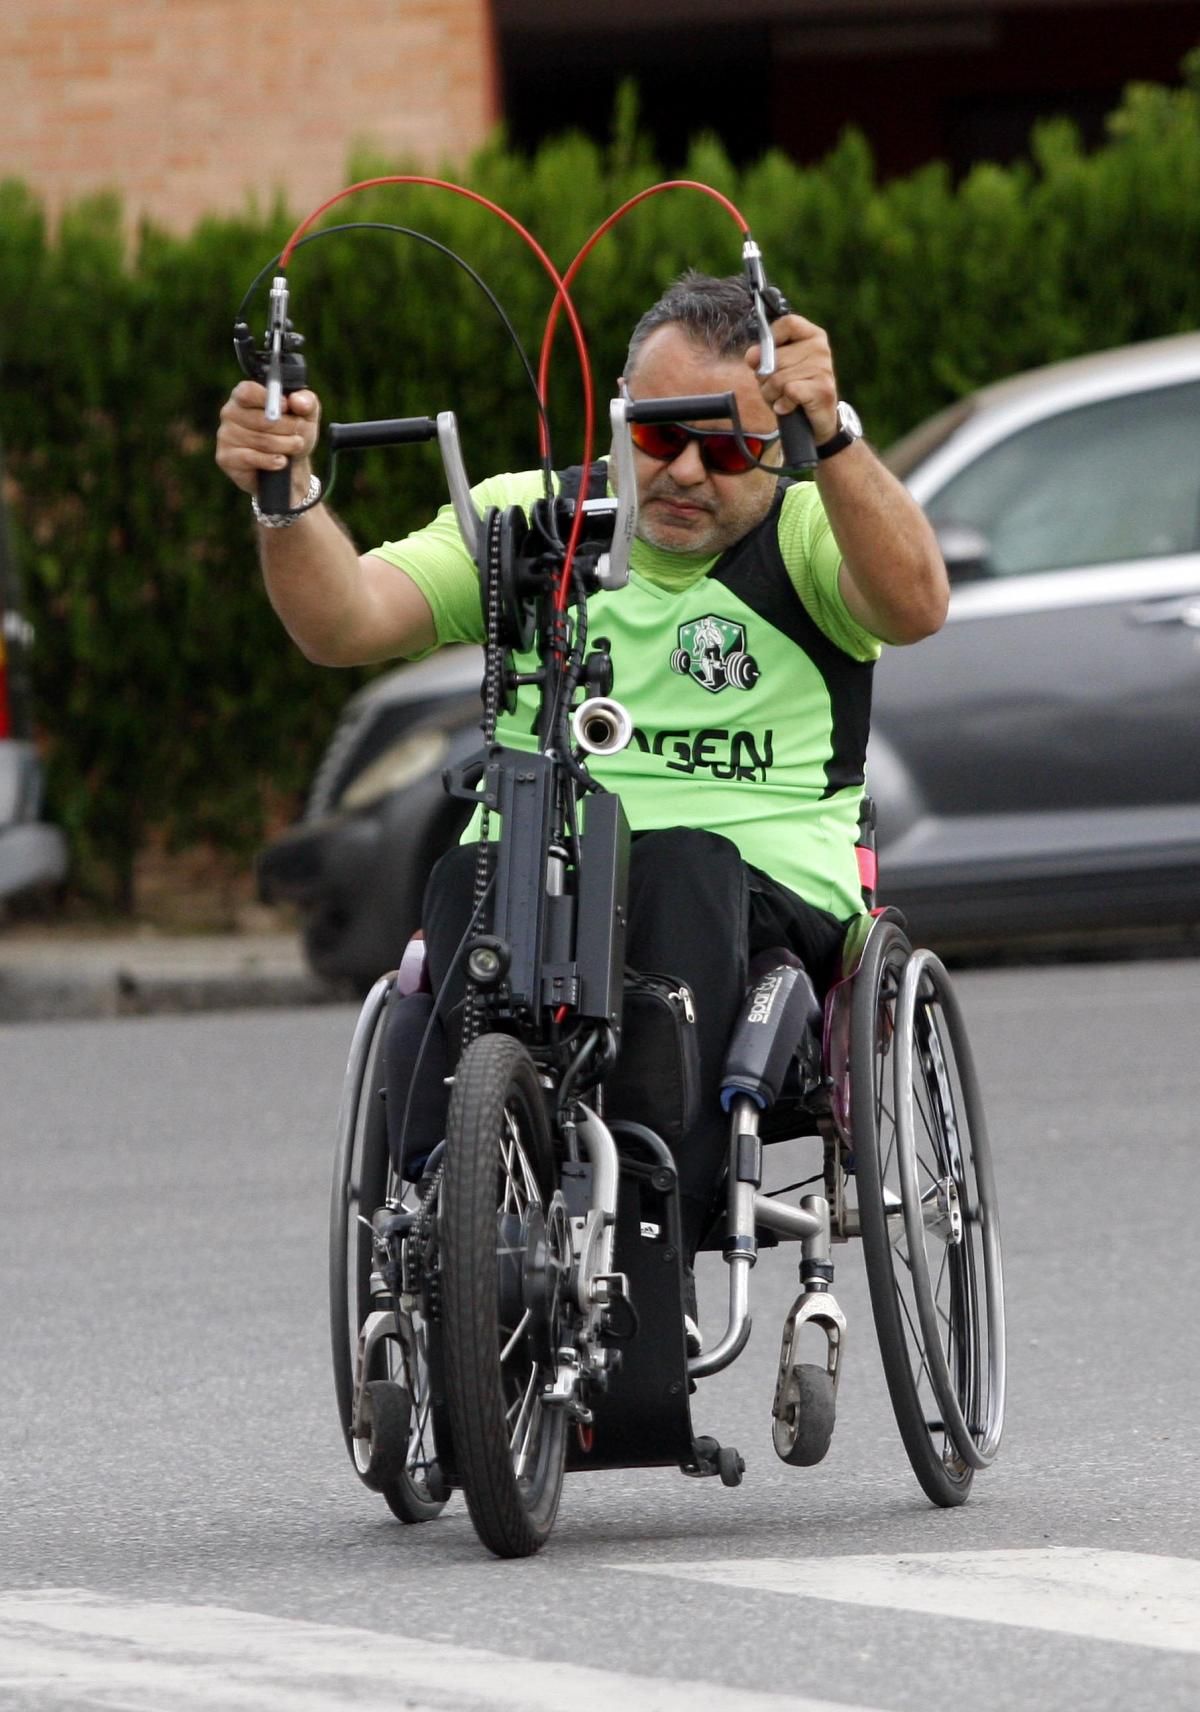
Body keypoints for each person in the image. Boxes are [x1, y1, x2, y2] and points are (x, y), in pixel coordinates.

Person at [216, 272, 948, 1258]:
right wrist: (286, 497)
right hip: (537, 867)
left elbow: (915, 606)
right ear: (616, 418)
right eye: (657, 434)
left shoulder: (815, 526)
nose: (686, 470)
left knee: (683, 863)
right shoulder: (531, 521)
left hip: (753, 887)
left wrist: (839, 434)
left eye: (727, 443)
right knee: (465, 883)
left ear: (778, 438)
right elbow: (345, 617)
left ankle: (649, 1236)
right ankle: (448, 1242)